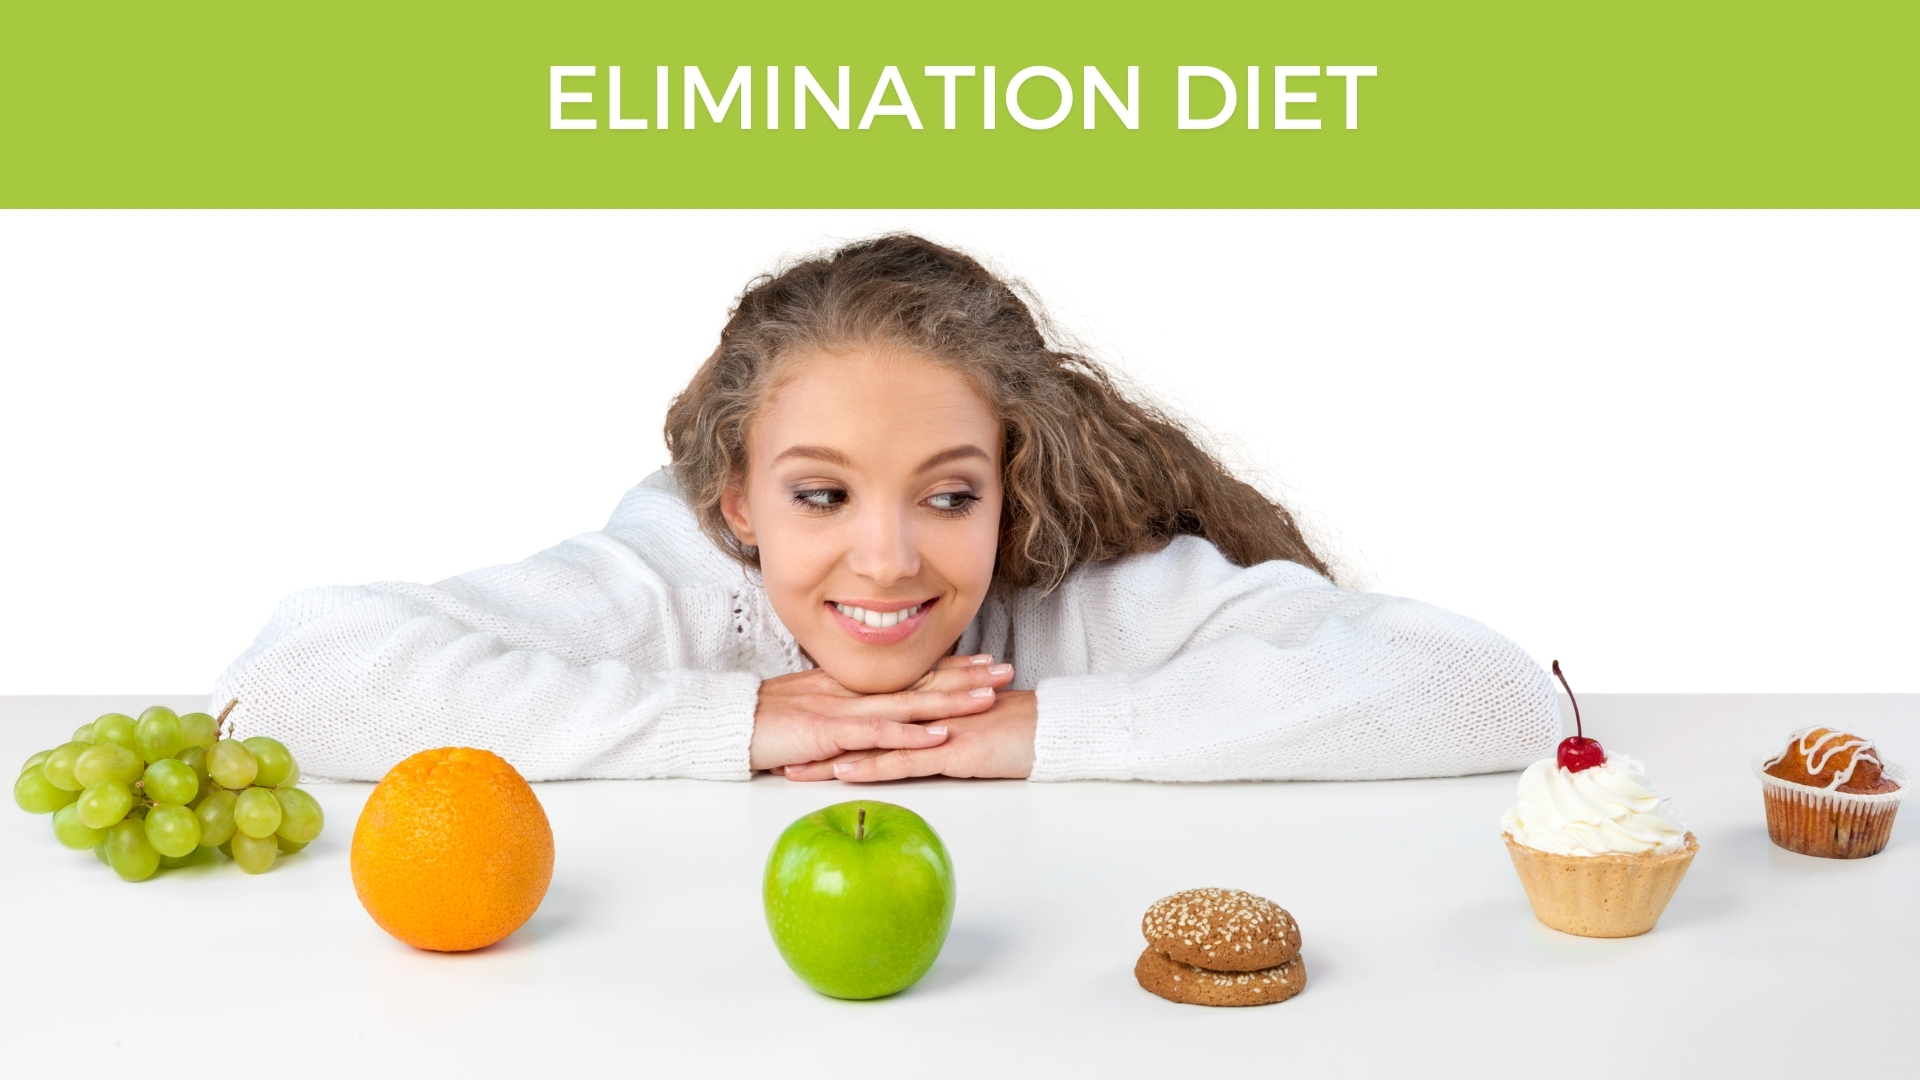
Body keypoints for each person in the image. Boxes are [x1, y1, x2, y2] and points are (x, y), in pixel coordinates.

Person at [212, 234, 1558, 783]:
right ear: (735, 500)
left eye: (950, 495)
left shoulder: (1068, 593)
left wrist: (1040, 731)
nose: (889, 557)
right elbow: (287, 679)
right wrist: (733, 717)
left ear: (1011, 490)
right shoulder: (677, 585)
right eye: (821, 494)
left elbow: (1497, 696)